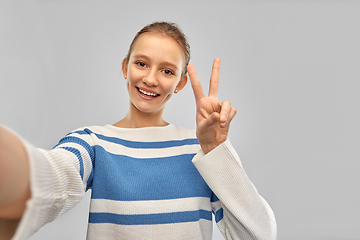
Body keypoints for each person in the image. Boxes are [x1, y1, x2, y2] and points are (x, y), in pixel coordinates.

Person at [0, 21, 277, 240]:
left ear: (180, 84)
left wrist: (216, 149)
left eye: (167, 71)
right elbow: (50, 176)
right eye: (141, 63)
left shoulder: (202, 151)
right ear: (125, 66)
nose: (150, 79)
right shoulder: (94, 142)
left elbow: (258, 235)